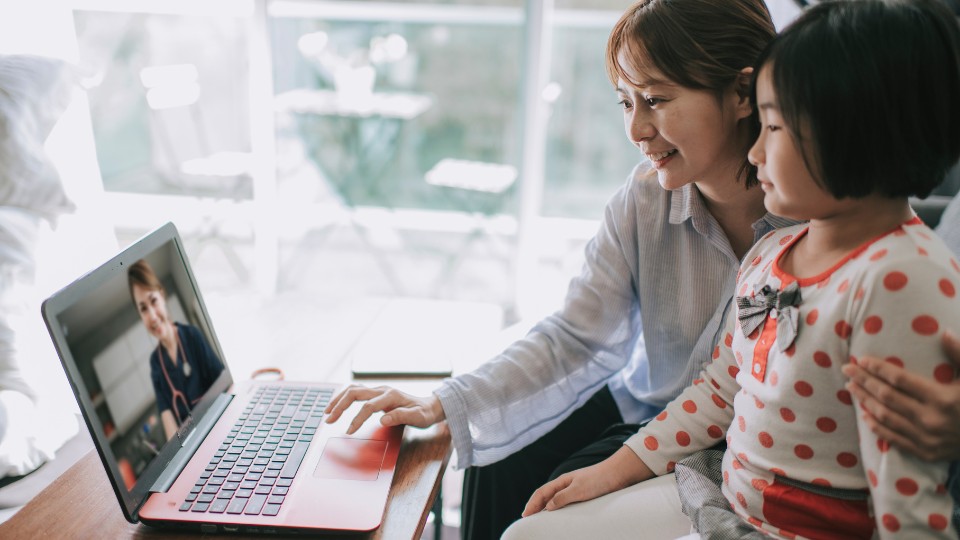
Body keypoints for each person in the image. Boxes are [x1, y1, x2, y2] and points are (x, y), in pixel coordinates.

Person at [326, 2, 792, 538]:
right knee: (498, 456)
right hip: (644, 402)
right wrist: (442, 401)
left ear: (740, 93)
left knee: (551, 500)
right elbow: (575, 335)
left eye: (657, 100)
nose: (637, 129)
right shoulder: (643, 200)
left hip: (731, 436)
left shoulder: (815, 218)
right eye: (625, 102)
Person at [517, 1, 960, 538]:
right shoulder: (773, 252)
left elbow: (906, 482)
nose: (752, 152)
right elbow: (723, 385)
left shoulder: (900, 278)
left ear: (852, 133)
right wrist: (610, 472)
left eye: (773, 127)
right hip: (728, 501)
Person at [128, 259, 224, 440]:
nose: (153, 316)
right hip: (191, 445)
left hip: (219, 427)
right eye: (143, 309)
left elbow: (224, 385)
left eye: (153, 301)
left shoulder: (192, 336)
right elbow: (170, 427)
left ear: (162, 296)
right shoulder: (155, 363)